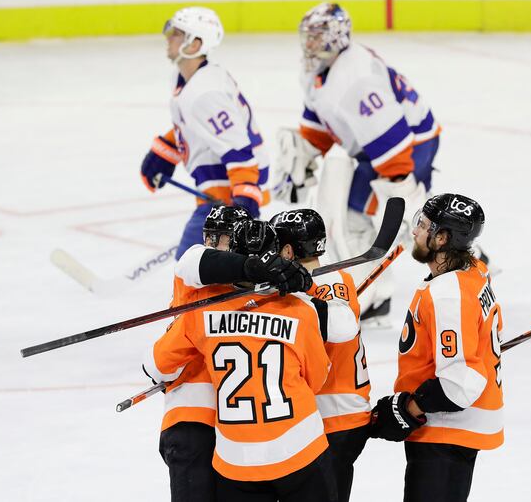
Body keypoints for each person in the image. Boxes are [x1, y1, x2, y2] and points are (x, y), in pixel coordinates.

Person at [144, 220, 339, 502]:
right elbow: (317, 379)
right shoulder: (302, 311)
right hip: (299, 447)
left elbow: (154, 365)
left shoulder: (200, 309)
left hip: (236, 460)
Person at [272, 1, 440, 324]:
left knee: (416, 227)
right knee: (351, 213)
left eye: (317, 36)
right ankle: (373, 292)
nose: (308, 44)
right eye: (306, 36)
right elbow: (320, 126)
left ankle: (458, 252)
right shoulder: (319, 69)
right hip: (375, 145)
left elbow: (394, 147)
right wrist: (301, 157)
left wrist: (406, 202)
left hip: (412, 144)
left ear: (335, 38)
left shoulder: (355, 81)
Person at [368, 193, 504, 502]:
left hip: (447, 429)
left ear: (442, 238)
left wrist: (407, 411)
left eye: (423, 225)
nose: (415, 231)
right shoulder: (473, 268)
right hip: (451, 428)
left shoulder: (448, 295)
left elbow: (459, 384)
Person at [139, 7, 270, 260]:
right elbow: (197, 127)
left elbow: (240, 153)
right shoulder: (188, 78)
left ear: (195, 43)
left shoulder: (206, 93)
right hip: (218, 188)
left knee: (191, 265)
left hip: (227, 194)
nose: (168, 37)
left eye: (177, 33)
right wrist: (165, 152)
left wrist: (243, 208)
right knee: (200, 268)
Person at [269, 209, 370, 502]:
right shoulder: (342, 277)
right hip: (350, 413)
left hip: (330, 418)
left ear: (288, 249)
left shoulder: (297, 289)